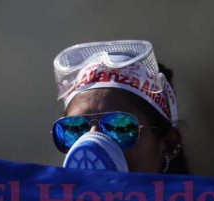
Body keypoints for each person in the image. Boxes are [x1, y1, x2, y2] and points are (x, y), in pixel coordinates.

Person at [51, 40, 188, 174]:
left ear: (168, 146)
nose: (92, 144)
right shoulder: (39, 195)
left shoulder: (203, 196)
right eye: (75, 129)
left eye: (120, 127)